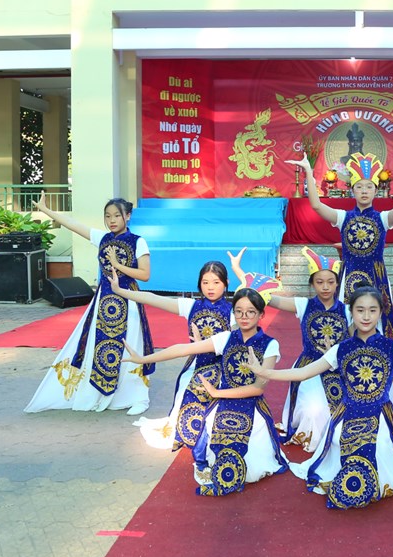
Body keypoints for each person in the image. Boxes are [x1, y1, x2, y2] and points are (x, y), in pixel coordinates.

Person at [245, 286, 393, 510]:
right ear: (351, 312)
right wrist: (265, 372)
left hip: (380, 415)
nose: (366, 316)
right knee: (340, 441)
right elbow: (302, 373)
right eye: (360, 310)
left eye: (372, 310)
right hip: (347, 413)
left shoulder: (392, 348)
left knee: (379, 446)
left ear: (380, 313)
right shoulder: (340, 349)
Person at [126, 287, 288, 496]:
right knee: (212, 425)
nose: (244, 317)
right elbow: (183, 349)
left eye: (250, 312)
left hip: (251, 406)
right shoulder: (226, 338)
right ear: (234, 313)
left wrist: (217, 393)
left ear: (261, 314)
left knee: (251, 469)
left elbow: (258, 388)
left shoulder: (270, 345)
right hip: (223, 402)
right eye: (239, 311)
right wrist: (143, 359)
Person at [287, 151, 393, 343]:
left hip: (377, 277)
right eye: (359, 187)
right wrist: (308, 171)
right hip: (348, 274)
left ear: (376, 190)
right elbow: (316, 205)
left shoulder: (383, 218)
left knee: (379, 321)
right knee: (347, 319)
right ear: (353, 190)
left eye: (369, 187)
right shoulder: (343, 217)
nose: (364, 191)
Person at [24, 197, 155, 415]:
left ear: (128, 216)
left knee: (130, 347)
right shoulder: (102, 238)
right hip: (103, 302)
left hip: (129, 301)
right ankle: (100, 393)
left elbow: (145, 274)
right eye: (108, 216)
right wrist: (46, 210)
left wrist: (117, 265)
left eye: (117, 215)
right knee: (98, 347)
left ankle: (137, 397)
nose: (112, 220)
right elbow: (72, 224)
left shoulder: (138, 242)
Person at [229, 245, 349, 452]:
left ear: (338, 283)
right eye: (319, 282)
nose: (325, 287)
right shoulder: (303, 305)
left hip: (340, 368)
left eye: (330, 282)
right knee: (314, 410)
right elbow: (265, 296)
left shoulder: (349, 310)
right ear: (312, 283)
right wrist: (238, 271)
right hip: (308, 367)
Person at [111, 260, 235, 451]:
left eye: (216, 282)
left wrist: (201, 342)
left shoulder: (234, 311)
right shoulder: (191, 306)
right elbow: (152, 298)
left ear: (226, 283)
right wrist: (120, 291)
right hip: (196, 363)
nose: (210, 287)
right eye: (205, 282)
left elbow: (236, 345)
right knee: (187, 387)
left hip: (224, 366)